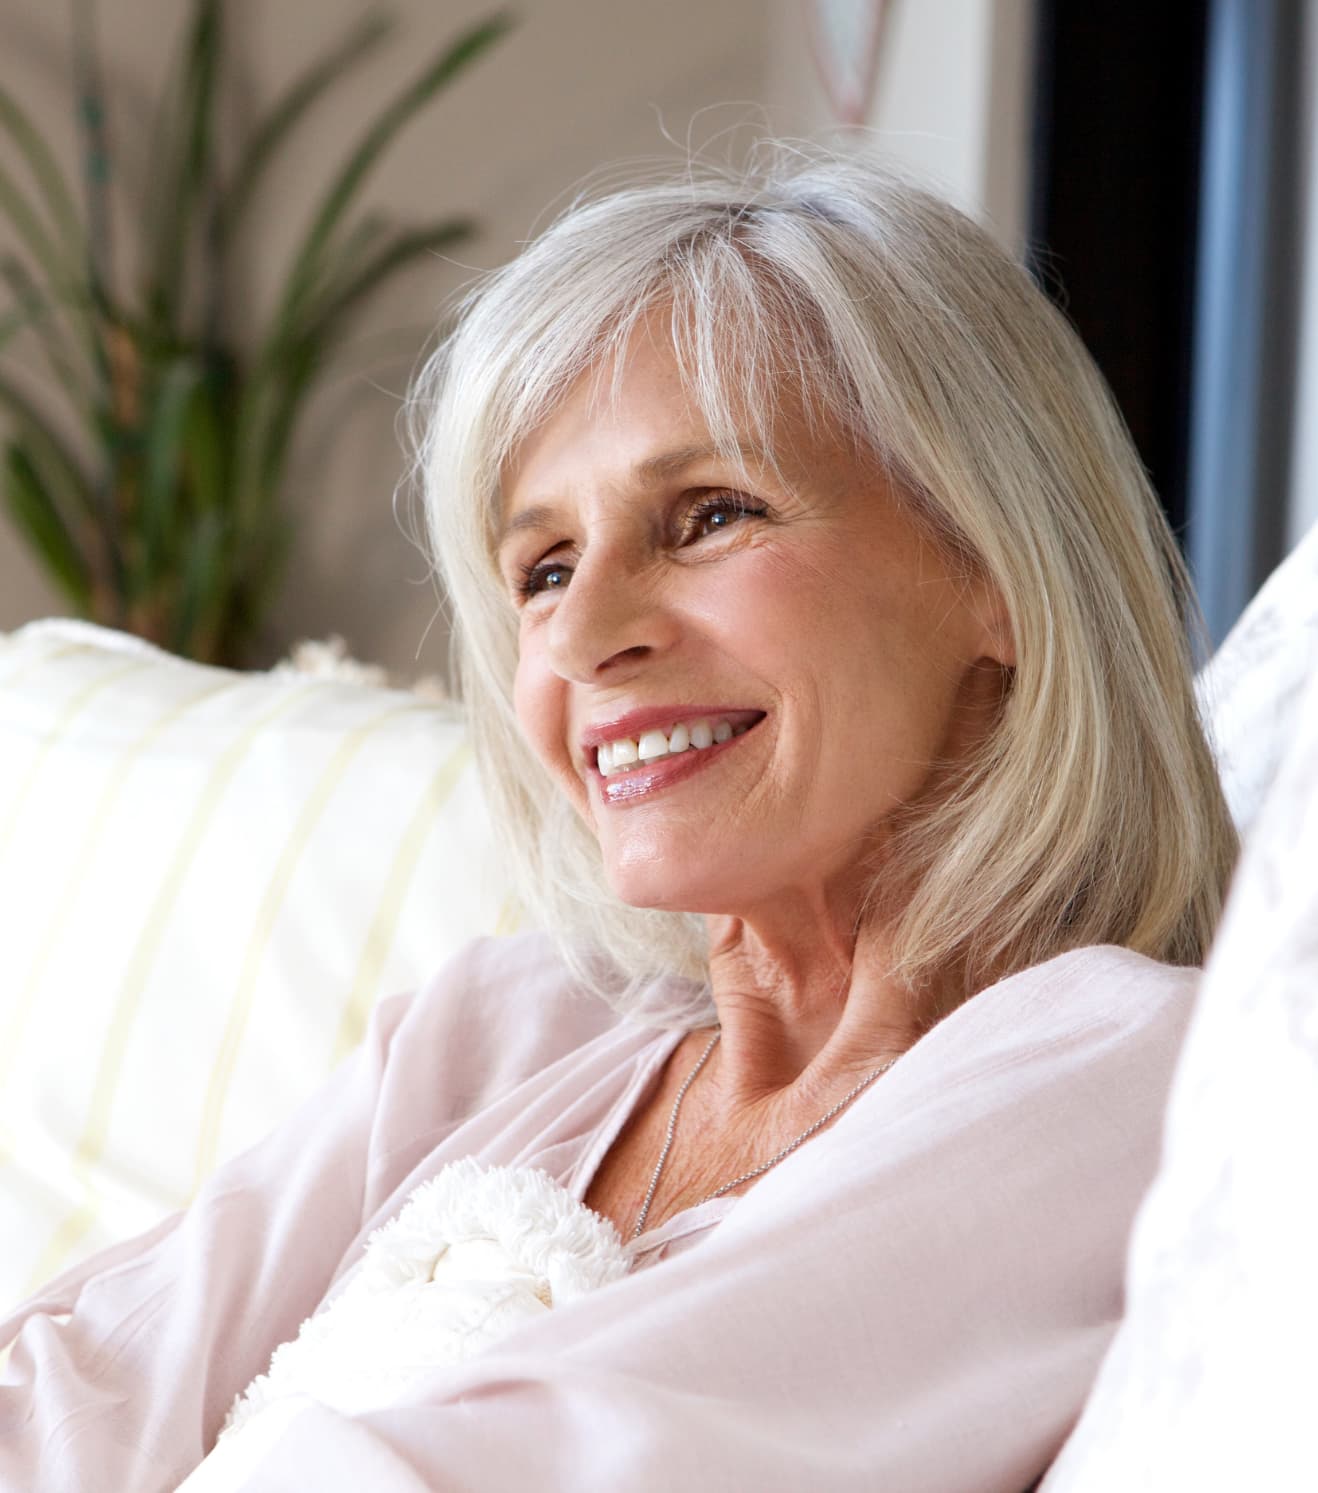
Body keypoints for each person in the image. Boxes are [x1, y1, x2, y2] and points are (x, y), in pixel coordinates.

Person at [0, 149, 1237, 1491]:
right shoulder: (511, 1021)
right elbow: (84, 1382)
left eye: (709, 514)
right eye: (541, 567)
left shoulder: (1118, 1068)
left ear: (997, 570)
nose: (583, 636)